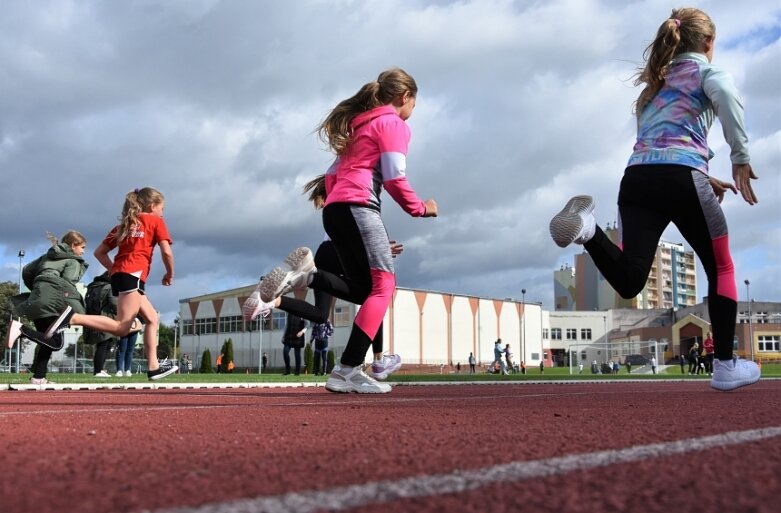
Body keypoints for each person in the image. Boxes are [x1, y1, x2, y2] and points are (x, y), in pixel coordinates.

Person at [549, 8, 760, 391]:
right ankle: (726, 367)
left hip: (637, 179)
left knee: (630, 280)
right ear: (708, 43)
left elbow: (663, 141)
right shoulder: (708, 73)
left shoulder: (655, 86)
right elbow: (727, 96)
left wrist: (703, 173)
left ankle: (589, 230)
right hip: (680, 177)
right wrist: (739, 158)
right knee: (722, 269)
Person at [254, 68, 437, 394]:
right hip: (359, 209)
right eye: (414, 105)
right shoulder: (392, 124)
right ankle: (348, 369)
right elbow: (394, 177)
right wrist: (421, 208)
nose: (412, 113)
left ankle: (308, 276)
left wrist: (345, 205)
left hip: (335, 211)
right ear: (404, 97)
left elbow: (331, 176)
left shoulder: (360, 126)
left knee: (365, 290)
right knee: (385, 287)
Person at [243, 176, 403, 380]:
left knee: (320, 314)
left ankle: (273, 301)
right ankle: (379, 362)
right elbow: (355, 235)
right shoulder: (353, 197)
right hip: (338, 250)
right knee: (375, 296)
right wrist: (377, 249)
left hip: (325, 253)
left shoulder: (335, 202)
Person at [35, 187, 178, 381]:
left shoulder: (126, 225)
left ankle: (153, 367)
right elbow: (167, 252)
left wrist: (114, 269)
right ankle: (73, 318)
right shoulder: (155, 221)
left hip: (121, 275)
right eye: (162, 208)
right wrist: (169, 274)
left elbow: (99, 252)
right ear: (152, 206)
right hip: (133, 275)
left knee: (152, 318)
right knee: (121, 327)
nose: (162, 213)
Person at [6, 231, 88, 385]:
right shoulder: (73, 261)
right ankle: (21, 329)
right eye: (82, 247)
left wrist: (38, 286)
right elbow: (68, 283)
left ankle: (38, 377)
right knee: (56, 342)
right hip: (52, 300)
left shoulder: (47, 256)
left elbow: (27, 271)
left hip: (37, 298)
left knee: (46, 339)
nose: (83, 251)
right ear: (73, 245)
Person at [84, 271, 118, 378]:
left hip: (94, 317)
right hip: (107, 318)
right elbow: (114, 303)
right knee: (104, 345)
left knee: (103, 344)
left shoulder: (92, 286)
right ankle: (98, 370)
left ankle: (100, 369)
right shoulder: (110, 287)